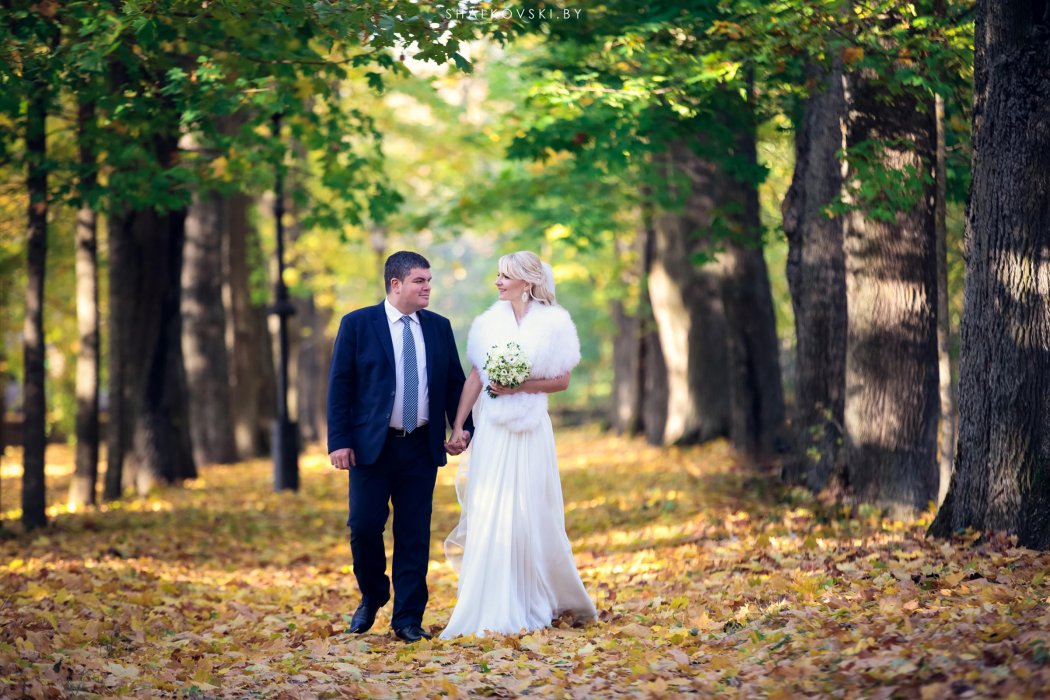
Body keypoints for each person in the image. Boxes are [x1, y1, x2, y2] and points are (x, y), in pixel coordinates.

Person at [440, 251, 597, 638]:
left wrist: (520, 386)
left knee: (530, 509)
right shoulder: (487, 323)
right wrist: (459, 425)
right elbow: (475, 376)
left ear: (526, 281)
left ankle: (535, 597)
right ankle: (490, 600)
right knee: (492, 508)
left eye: (505, 276)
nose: (497, 282)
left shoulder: (555, 323)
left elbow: (561, 381)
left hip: (530, 430)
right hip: (493, 429)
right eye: (496, 275)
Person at [327, 251, 473, 643]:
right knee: (364, 527)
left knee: (413, 535)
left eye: (429, 281)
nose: (428, 288)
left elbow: (455, 383)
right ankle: (373, 594)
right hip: (370, 449)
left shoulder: (439, 327)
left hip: (420, 447)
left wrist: (463, 429)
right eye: (419, 281)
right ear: (396, 284)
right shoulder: (358, 324)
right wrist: (339, 441)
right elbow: (340, 386)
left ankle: (408, 619)